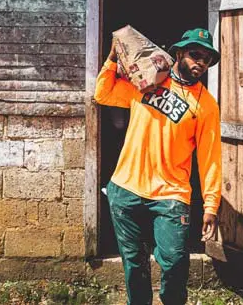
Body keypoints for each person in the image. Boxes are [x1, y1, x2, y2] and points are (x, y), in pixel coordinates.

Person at [94, 27, 222, 305]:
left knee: (175, 262)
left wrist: (211, 205)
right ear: (179, 53)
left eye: (207, 58)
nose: (200, 62)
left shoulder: (207, 105)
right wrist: (113, 59)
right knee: (134, 263)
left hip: (171, 195)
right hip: (126, 188)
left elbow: (210, 157)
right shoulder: (146, 81)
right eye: (194, 54)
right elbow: (102, 94)